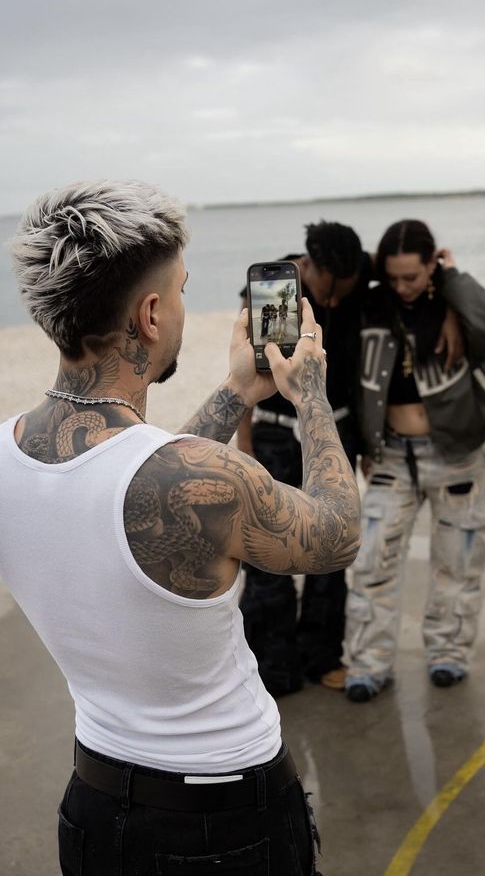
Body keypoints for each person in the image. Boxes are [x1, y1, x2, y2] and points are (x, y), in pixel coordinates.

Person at [0, 180, 360, 874]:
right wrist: (309, 394)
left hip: (94, 807)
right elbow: (336, 533)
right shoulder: (189, 478)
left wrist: (236, 392)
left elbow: (129, 480)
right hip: (225, 822)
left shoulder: (8, 452)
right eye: (185, 291)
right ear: (152, 313)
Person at [345, 219, 485, 702]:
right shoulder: (372, 302)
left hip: (456, 452)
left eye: (412, 278)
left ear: (432, 266)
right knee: (372, 558)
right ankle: (369, 663)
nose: (402, 287)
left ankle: (448, 654)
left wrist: (453, 283)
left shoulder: (452, 301)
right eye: (393, 277)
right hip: (392, 454)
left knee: (457, 562)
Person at [237, 222, 372, 696]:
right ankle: (271, 668)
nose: (333, 301)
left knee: (331, 547)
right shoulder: (273, 291)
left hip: (334, 429)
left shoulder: (355, 271)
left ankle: (322, 655)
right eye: (328, 289)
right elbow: (245, 373)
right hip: (274, 435)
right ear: (308, 266)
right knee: (267, 550)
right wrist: (245, 445)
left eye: (344, 289)